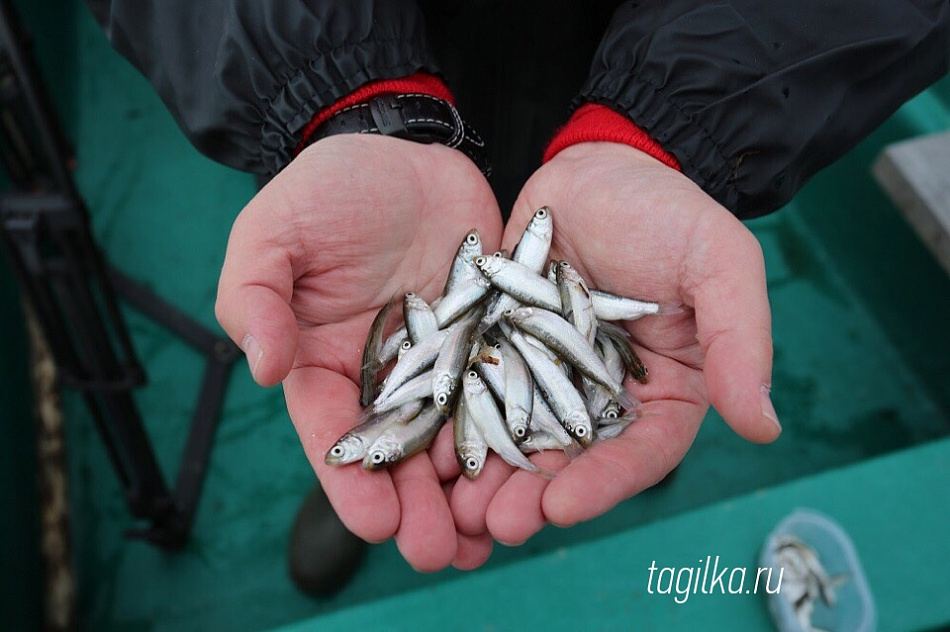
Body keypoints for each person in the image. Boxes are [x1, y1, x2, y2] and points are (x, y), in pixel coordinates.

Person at [84, 0, 949, 582]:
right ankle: (388, 442)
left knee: (585, 306)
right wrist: (346, 97)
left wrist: (666, 123)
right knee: (379, 320)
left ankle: (599, 407)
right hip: (390, 51)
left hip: (639, 51)